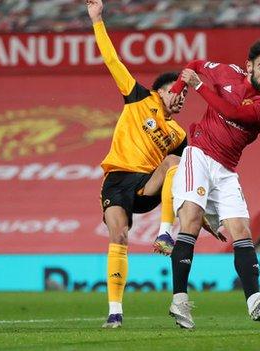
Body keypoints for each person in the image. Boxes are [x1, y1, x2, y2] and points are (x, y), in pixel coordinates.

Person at [159, 40, 260, 329]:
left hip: (227, 170)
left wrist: (199, 87)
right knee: (190, 219)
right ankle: (179, 300)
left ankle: (254, 301)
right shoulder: (226, 72)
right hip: (200, 155)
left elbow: (233, 113)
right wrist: (178, 89)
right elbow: (193, 66)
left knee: (241, 230)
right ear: (249, 66)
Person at [86, 0, 189, 328]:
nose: (181, 98)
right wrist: (98, 20)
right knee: (119, 235)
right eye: (177, 92)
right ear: (161, 90)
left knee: (176, 161)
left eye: (185, 97)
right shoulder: (138, 98)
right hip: (116, 181)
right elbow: (111, 59)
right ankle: (115, 312)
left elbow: (189, 174)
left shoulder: (178, 133)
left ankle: (165, 233)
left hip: (147, 186)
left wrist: (211, 217)